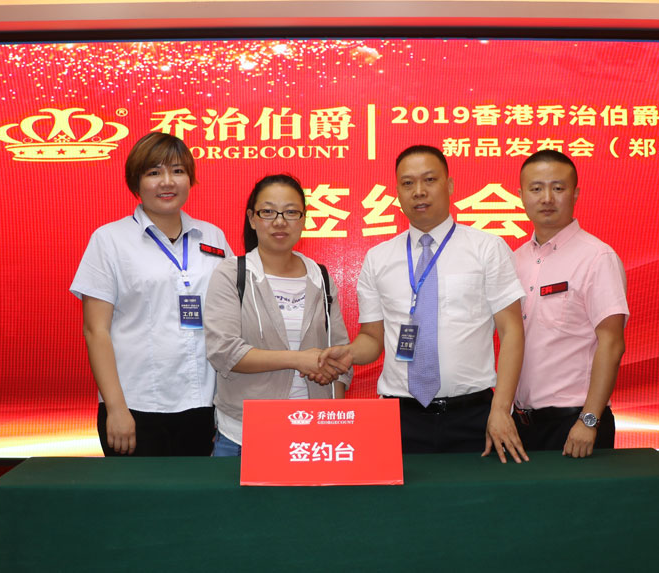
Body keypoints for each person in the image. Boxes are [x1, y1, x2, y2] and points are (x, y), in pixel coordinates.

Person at [319, 145, 528, 463]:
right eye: (408, 183)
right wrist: (349, 354)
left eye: (429, 179)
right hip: (399, 418)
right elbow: (372, 338)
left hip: (474, 416)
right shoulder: (378, 258)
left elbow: (512, 331)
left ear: (450, 185)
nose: (419, 191)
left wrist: (501, 408)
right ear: (397, 192)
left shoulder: (487, 248)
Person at [70, 132, 233, 456]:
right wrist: (116, 408)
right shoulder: (110, 239)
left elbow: (229, 316)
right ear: (137, 182)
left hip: (203, 402)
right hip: (136, 406)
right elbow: (95, 330)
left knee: (196, 490)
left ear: (190, 179)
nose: (167, 182)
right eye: (154, 172)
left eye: (178, 171)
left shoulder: (212, 236)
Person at [204, 174, 351, 457]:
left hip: (314, 437)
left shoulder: (320, 276)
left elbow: (340, 354)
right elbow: (224, 352)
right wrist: (298, 359)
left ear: (304, 219)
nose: (280, 221)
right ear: (252, 218)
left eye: (291, 212)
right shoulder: (231, 274)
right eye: (268, 212)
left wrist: (334, 418)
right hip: (244, 435)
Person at [513, 149, 628, 458]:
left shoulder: (597, 257)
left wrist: (589, 420)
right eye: (536, 188)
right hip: (522, 424)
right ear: (521, 195)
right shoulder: (515, 260)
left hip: (575, 423)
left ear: (575, 193)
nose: (547, 198)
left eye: (558, 188)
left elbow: (612, 343)